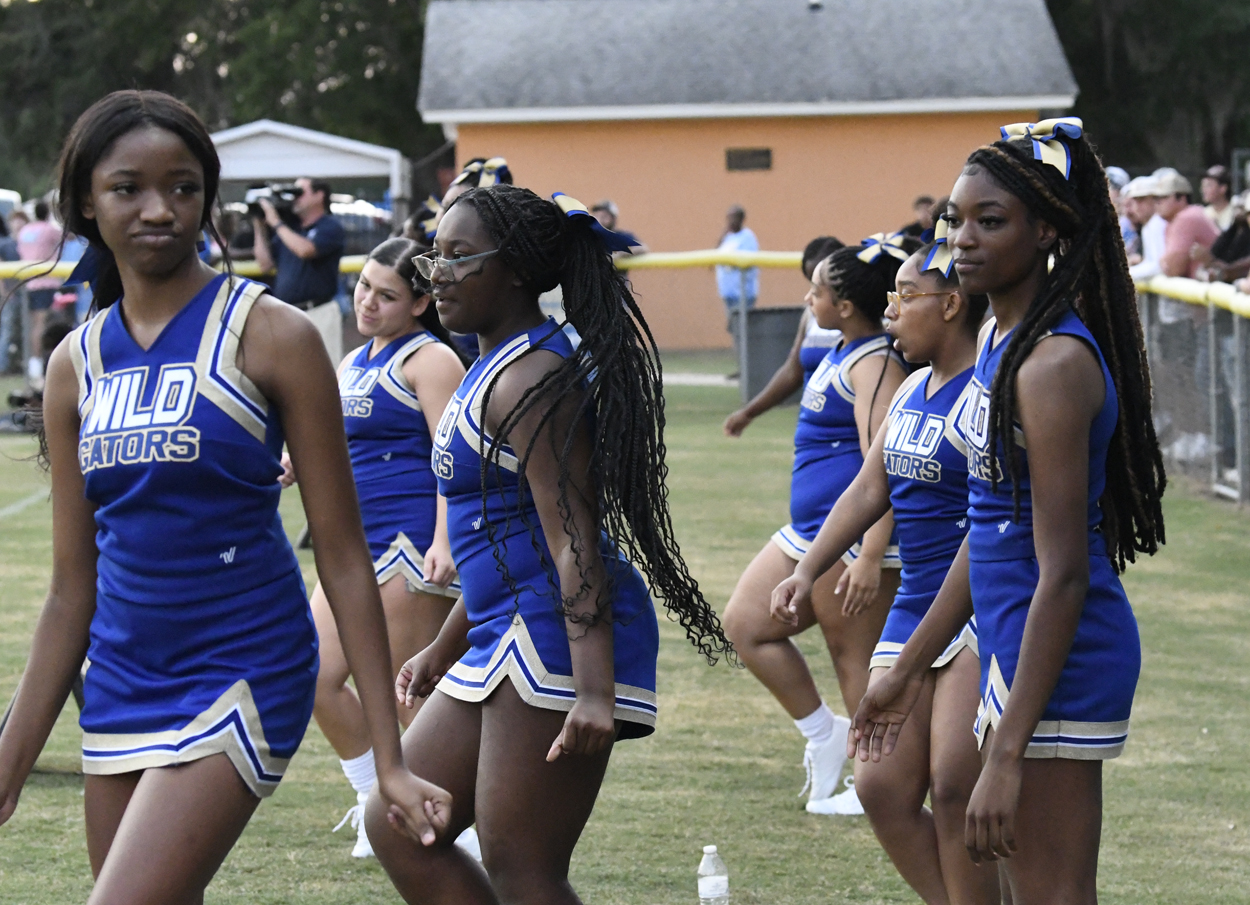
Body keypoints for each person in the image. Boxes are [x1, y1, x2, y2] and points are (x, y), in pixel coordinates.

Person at [0, 90, 450, 902]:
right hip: (121, 679)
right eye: (128, 188)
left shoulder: (273, 333)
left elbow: (343, 555)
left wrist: (390, 759)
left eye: (183, 187)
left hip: (240, 667)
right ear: (86, 203)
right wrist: (12, 757)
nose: (159, 209)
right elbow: (71, 587)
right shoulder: (75, 363)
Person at [364, 184, 731, 903]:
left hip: (554, 635)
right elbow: (505, 542)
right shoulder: (492, 363)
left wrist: (593, 690)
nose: (439, 273)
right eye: (435, 255)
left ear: (519, 273)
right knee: (399, 820)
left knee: (522, 864)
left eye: (460, 256)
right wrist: (443, 646)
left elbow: (572, 541)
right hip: (504, 627)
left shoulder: (535, 373)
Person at [852, 118, 1166, 902]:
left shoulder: (1052, 361)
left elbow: (1062, 573)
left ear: (1047, 230)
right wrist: (909, 668)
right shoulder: (1001, 335)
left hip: (1058, 655)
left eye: (990, 220)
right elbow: (988, 532)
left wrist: (1005, 752)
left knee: (1054, 894)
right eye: (955, 218)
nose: (962, 238)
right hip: (1012, 642)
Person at [772, 239, 998, 904]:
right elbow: (869, 490)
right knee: (879, 785)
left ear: (951, 304)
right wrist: (807, 568)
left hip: (973, 607)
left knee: (954, 785)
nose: (891, 308)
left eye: (907, 294)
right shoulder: (909, 391)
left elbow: (989, 528)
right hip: (912, 604)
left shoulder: (985, 395)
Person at [279, 237, 469, 858]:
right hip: (353, 549)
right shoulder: (355, 359)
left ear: (420, 302)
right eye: (363, 286)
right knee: (314, 677)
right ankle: (374, 804)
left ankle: (464, 829)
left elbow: (455, 458)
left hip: (409, 548)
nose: (366, 301)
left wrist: (445, 539)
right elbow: (341, 444)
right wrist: (298, 462)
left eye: (386, 295)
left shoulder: (431, 359)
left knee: (408, 697)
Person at [722, 234, 909, 817]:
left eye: (818, 290)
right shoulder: (841, 349)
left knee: (853, 658)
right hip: (809, 533)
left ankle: (874, 783)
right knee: (745, 624)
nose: (808, 298)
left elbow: (887, 464)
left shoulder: (876, 363)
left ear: (845, 306)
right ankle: (825, 735)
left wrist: (871, 554)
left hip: (851, 543)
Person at [722, 235, 843, 437]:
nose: (812, 295)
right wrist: (748, 412)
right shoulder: (811, 315)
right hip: (812, 434)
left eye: (821, 285)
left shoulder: (863, 319)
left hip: (845, 434)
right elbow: (792, 371)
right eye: (812, 284)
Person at [251, 176, 347, 362]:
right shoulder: (290, 229)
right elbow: (265, 264)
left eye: (300, 192)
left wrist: (277, 223)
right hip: (287, 313)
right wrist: (259, 224)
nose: (295, 198)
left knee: (325, 368)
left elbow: (305, 250)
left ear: (319, 196)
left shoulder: (330, 226)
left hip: (319, 311)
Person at [17, 200, 64, 383]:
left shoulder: (25, 231)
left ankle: (34, 364)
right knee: (44, 325)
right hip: (46, 282)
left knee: (33, 325)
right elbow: (67, 237)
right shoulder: (49, 229)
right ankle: (41, 365)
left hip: (28, 283)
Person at [1156, 171, 1219, 279]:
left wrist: (1163, 262)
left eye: (1164, 197)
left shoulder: (1187, 217)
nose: (1158, 202)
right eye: (1156, 198)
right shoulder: (1178, 218)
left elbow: (1173, 269)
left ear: (1181, 198)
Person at [715, 204, 760, 354]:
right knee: (734, 328)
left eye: (733, 218)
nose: (730, 221)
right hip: (727, 292)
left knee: (743, 328)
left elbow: (749, 262)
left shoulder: (748, 237)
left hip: (743, 292)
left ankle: (748, 359)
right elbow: (714, 257)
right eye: (728, 218)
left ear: (741, 219)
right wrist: (722, 236)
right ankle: (740, 359)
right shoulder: (727, 237)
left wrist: (730, 263)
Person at [1201, 164, 1234, 233]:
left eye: (1209, 185)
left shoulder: (1235, 213)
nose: (1204, 190)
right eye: (1203, 186)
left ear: (1223, 188)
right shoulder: (1203, 214)